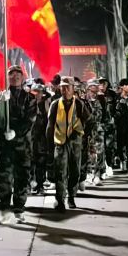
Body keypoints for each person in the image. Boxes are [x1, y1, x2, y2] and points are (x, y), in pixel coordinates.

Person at [0, 63, 37, 224]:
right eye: (11, 74)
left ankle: (19, 208)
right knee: (5, 178)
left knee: (22, 177)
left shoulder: (30, 98)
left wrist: (15, 132)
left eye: (17, 74)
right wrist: (0, 104)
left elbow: (30, 120)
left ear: (22, 77)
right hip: (5, 146)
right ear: (8, 77)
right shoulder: (1, 96)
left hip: (23, 145)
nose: (15, 77)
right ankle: (5, 209)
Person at [47, 76, 90, 210]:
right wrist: (49, 145)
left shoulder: (79, 104)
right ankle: (60, 200)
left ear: (73, 89)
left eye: (68, 88)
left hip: (75, 143)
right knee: (60, 172)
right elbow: (50, 126)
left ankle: (71, 196)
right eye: (63, 88)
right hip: (60, 143)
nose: (65, 90)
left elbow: (90, 121)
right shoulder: (55, 104)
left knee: (75, 171)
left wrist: (84, 138)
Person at [29, 83, 50, 195]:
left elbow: (49, 120)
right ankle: (30, 183)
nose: (37, 94)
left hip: (42, 138)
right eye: (35, 92)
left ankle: (40, 185)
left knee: (41, 162)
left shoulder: (46, 104)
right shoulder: (28, 103)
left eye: (39, 92)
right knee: (30, 162)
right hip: (30, 137)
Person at [84, 79, 106, 186]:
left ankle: (97, 175)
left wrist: (104, 126)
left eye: (96, 88)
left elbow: (105, 114)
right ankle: (88, 174)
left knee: (100, 152)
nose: (95, 92)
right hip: (86, 131)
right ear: (88, 88)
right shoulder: (83, 101)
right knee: (88, 154)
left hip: (98, 130)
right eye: (93, 89)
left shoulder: (101, 99)